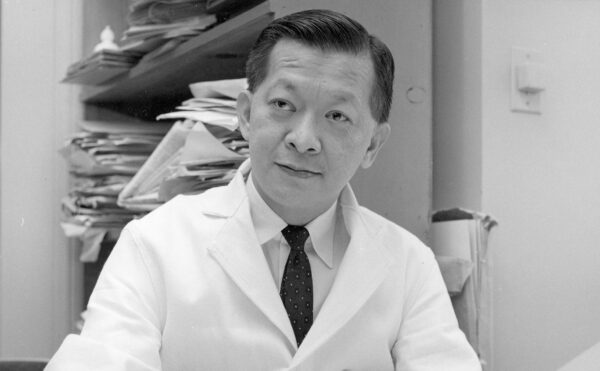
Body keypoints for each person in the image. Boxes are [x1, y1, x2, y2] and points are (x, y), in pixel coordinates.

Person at [46, 9, 481, 371]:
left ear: (372, 144)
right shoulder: (155, 243)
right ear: (246, 115)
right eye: (283, 105)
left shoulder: (408, 264)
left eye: (337, 116)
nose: (304, 138)